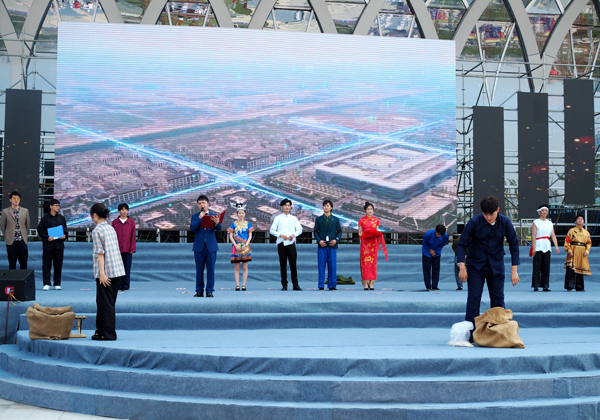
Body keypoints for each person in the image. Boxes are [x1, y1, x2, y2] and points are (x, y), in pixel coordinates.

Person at [457, 196, 520, 329]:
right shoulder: (474, 222)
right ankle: (471, 333)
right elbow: (461, 244)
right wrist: (462, 267)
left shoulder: (505, 222)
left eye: (491, 214)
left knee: (498, 300)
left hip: (496, 267)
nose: (489, 217)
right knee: (474, 298)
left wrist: (514, 271)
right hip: (476, 266)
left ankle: (498, 331)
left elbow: (514, 245)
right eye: (485, 214)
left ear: (498, 210)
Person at [90, 203, 125, 341]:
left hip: (106, 272)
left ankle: (108, 333)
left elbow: (100, 253)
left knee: (105, 304)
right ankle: (100, 331)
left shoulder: (97, 231)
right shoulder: (111, 228)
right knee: (105, 302)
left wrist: (102, 273)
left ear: (95, 215)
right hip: (116, 269)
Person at [191, 195, 222, 298]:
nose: (202, 205)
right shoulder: (195, 216)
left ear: (208, 204)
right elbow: (192, 228)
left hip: (211, 247)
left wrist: (217, 223)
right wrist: (200, 218)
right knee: (199, 270)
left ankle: (209, 291)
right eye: (199, 203)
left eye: (203, 203)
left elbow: (219, 229)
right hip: (199, 247)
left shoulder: (213, 216)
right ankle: (199, 291)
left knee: (211, 270)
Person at [270, 198, 303, 291]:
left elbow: (300, 229)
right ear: (282, 207)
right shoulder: (278, 218)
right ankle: (284, 284)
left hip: (291, 243)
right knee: (283, 264)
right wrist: (280, 235)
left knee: (293, 265)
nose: (287, 207)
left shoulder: (294, 218)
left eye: (289, 205)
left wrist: (294, 235)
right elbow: (272, 230)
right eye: (285, 205)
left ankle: (295, 284)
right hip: (281, 243)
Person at [37, 199, 67, 291]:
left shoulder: (61, 218)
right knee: (47, 264)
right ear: (51, 206)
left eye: (58, 205)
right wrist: (47, 237)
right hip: (48, 245)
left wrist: (64, 236)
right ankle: (46, 283)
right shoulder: (45, 218)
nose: (58, 207)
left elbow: (65, 230)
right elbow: (40, 230)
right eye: (56, 205)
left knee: (58, 264)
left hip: (59, 245)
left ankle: (57, 283)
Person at [313, 199, 342, 291]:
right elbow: (315, 232)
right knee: (321, 266)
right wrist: (319, 241)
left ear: (331, 207)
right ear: (323, 207)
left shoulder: (336, 219)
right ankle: (321, 285)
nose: (326, 207)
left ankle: (332, 285)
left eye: (328, 206)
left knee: (332, 266)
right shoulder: (319, 219)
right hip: (322, 246)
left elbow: (340, 232)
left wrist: (336, 240)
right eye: (325, 206)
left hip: (332, 246)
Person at [358, 201, 387, 291]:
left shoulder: (376, 220)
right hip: (365, 244)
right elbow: (359, 232)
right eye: (368, 209)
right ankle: (365, 284)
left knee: (373, 263)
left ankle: (371, 283)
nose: (370, 211)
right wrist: (364, 236)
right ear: (365, 210)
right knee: (365, 263)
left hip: (373, 244)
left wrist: (377, 235)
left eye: (371, 209)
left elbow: (377, 231)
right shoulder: (361, 220)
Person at [530, 204, 559, 292]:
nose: (544, 212)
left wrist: (556, 246)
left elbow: (553, 235)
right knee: (537, 267)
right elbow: (534, 235)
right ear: (539, 212)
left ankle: (545, 286)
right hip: (538, 245)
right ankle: (536, 285)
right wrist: (533, 247)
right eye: (543, 210)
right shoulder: (536, 222)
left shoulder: (549, 223)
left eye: (546, 210)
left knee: (546, 267)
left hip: (547, 245)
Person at [227, 203, 254, 291]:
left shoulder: (248, 224)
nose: (241, 214)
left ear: (245, 213)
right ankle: (237, 285)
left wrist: (246, 244)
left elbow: (250, 235)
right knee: (237, 267)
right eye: (239, 213)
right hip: (236, 247)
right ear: (237, 214)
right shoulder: (234, 224)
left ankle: (244, 285)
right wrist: (235, 245)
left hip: (245, 247)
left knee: (245, 267)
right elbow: (231, 236)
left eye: (242, 213)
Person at [1, 191, 30, 269]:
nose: (16, 200)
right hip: (11, 241)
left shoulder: (25, 211)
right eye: (14, 198)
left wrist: (24, 235)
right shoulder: (5, 211)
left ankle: (23, 277)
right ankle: (12, 277)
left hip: (22, 240)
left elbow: (27, 225)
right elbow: (3, 226)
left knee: (23, 263)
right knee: (12, 263)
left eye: (18, 198)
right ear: (10, 200)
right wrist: (7, 236)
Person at [112, 203, 136, 291]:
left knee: (127, 268)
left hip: (128, 249)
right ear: (119, 211)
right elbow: (112, 236)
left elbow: (133, 236)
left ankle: (125, 285)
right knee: (117, 268)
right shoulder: (115, 222)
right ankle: (118, 285)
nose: (124, 211)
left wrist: (132, 249)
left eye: (126, 209)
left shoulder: (131, 222)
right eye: (122, 210)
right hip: (117, 249)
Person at [564, 214, 591, 292]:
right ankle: (569, 286)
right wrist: (569, 250)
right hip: (573, 249)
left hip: (582, 250)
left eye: (581, 219)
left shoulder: (586, 232)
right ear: (575, 221)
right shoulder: (571, 231)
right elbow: (567, 241)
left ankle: (579, 286)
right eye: (578, 219)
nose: (580, 220)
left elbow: (589, 242)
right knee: (571, 267)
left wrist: (587, 250)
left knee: (580, 268)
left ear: (583, 221)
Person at [421, 224, 449, 291]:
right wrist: (430, 250)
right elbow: (424, 243)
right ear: (435, 231)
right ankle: (428, 286)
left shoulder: (445, 236)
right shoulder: (428, 234)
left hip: (437, 252)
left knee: (436, 269)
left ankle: (434, 286)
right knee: (426, 269)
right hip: (427, 252)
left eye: (441, 235)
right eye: (438, 234)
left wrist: (435, 251)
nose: (439, 236)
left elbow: (443, 244)